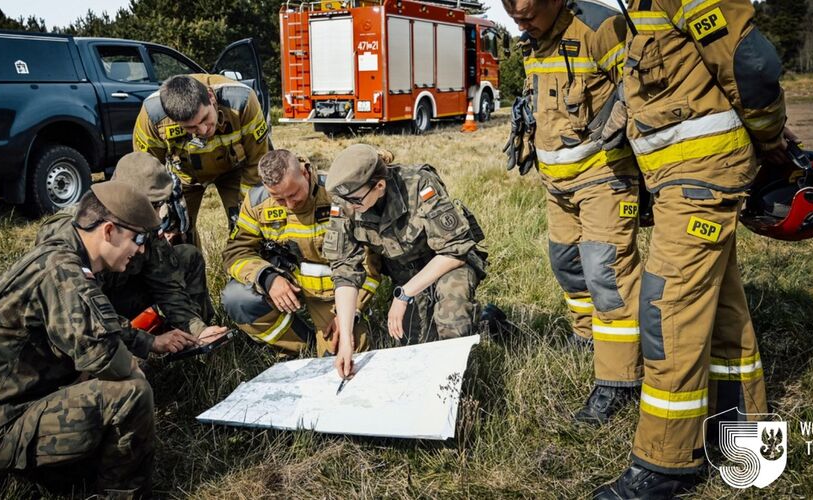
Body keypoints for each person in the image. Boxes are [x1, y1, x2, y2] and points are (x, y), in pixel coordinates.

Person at [593, 0, 793, 496]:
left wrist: (770, 140)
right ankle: (741, 439)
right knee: (720, 309)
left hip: (700, 182)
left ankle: (667, 463)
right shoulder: (639, 9)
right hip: (679, 183)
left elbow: (751, 64)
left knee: (667, 312)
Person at [0, 182, 199, 499]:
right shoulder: (64, 273)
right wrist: (131, 361)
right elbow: (110, 359)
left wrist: (149, 343)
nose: (142, 250)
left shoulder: (65, 255)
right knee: (131, 392)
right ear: (108, 231)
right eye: (139, 239)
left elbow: (96, 320)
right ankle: (122, 494)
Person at [502, 0, 644, 425]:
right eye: (514, 17)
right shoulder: (533, 39)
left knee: (607, 272)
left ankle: (620, 378)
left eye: (527, 14)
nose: (521, 24)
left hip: (605, 178)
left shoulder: (601, 28)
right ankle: (587, 339)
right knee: (567, 263)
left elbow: (641, 88)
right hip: (557, 185)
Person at [323, 144, 488, 378]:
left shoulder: (419, 183)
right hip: (406, 274)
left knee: (452, 322)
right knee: (417, 348)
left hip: (446, 264)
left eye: (356, 202)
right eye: (345, 200)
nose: (350, 208)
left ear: (379, 186)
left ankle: (459, 388)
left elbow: (454, 249)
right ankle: (485, 318)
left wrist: (403, 295)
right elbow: (344, 269)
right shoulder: (348, 199)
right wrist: (347, 339)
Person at [36, 151, 227, 343]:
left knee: (187, 256)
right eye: (150, 204)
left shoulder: (144, 223)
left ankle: (185, 341)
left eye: (158, 204)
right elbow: (74, 310)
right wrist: (143, 343)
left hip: (119, 301)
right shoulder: (70, 230)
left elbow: (167, 283)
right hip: (78, 317)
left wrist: (197, 330)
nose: (155, 214)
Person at [221, 149, 382, 356]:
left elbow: (369, 261)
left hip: (333, 293)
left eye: (294, 194)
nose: (289, 205)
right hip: (285, 284)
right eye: (278, 199)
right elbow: (235, 251)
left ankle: (322, 344)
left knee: (349, 352)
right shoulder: (256, 202)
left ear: (305, 173)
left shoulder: (338, 194)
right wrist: (267, 278)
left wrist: (351, 312)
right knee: (237, 298)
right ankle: (301, 346)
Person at [133, 73, 270, 242]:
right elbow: (146, 173)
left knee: (246, 226)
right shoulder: (152, 117)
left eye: (205, 118)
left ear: (211, 97)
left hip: (234, 169)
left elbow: (258, 160)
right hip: (184, 174)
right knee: (178, 234)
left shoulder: (242, 101)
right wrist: (161, 210)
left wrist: (248, 205)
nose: (204, 130)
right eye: (191, 127)